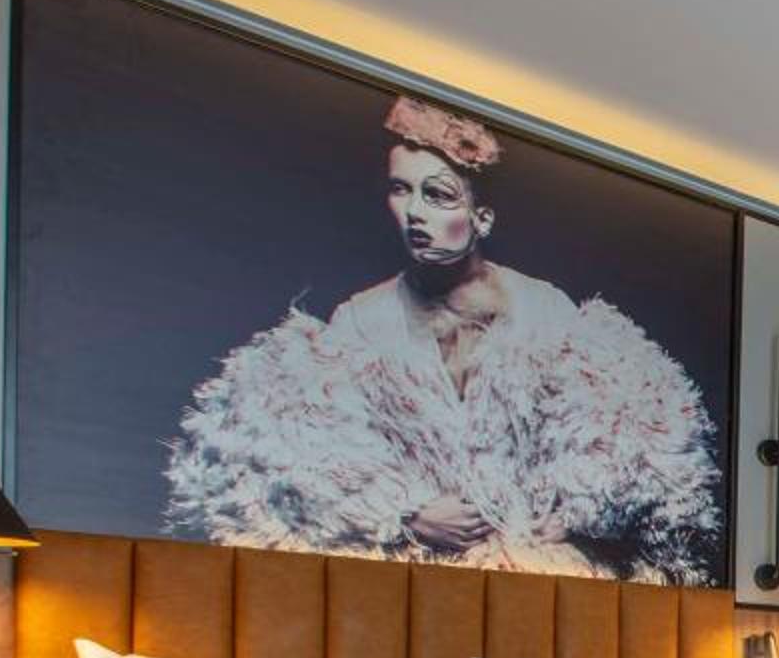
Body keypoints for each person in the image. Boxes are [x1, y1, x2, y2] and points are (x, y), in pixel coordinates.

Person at [163, 94, 723, 582]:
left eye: (438, 195)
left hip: (538, 574)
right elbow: (308, 461)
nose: (414, 214)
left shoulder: (543, 310)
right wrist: (406, 515)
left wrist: (577, 514)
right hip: (416, 579)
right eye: (400, 190)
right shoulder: (361, 321)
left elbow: (626, 440)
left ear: (483, 218)